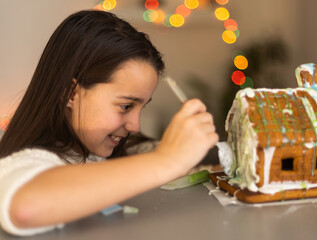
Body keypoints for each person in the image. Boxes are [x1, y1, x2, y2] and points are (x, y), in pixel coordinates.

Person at [0, 10, 218, 236]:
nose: (135, 125)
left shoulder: (128, 150)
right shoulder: (24, 162)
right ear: (70, 94)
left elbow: (200, 169)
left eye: (142, 107)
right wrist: (166, 160)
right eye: (126, 106)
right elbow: (26, 208)